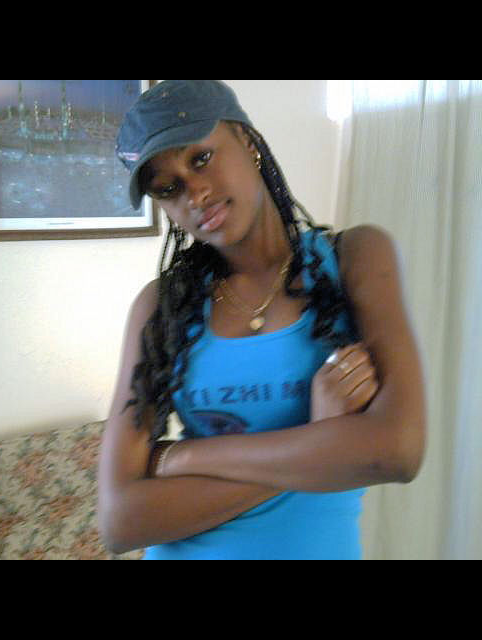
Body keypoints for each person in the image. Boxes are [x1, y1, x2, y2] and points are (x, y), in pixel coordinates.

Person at [98, 80, 426, 560]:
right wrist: (319, 440)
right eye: (168, 188)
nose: (195, 193)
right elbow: (120, 522)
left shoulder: (355, 257)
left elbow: (397, 450)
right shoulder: (161, 306)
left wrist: (182, 456)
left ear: (247, 140)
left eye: (201, 158)